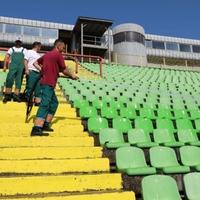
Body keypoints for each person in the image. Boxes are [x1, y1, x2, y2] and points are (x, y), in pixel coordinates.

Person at [31, 39, 79, 136]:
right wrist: (72, 75)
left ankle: (45, 124)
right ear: (58, 46)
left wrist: (43, 71)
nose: (64, 50)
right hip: (48, 83)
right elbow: (64, 70)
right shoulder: (58, 55)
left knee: (54, 103)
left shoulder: (47, 54)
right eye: (63, 48)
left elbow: (35, 63)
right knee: (45, 104)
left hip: (48, 83)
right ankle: (36, 128)